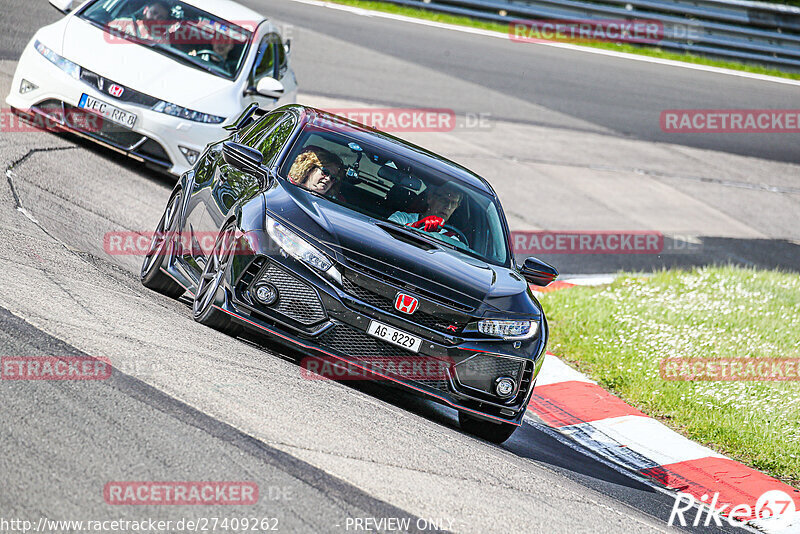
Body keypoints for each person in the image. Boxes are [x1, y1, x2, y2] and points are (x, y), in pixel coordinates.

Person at [389, 182, 464, 247]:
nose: (448, 207)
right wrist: (418, 225)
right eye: (444, 200)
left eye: (453, 203)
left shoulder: (452, 240)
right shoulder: (402, 218)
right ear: (430, 198)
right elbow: (387, 234)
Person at [109, 1, 173, 42]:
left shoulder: (161, 41)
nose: (155, 18)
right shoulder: (122, 23)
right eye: (153, 12)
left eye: (160, 18)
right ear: (145, 10)